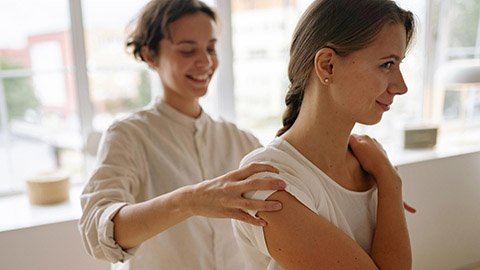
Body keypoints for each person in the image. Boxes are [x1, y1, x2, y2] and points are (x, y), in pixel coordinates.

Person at [78, 0, 286, 269]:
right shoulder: (128, 136)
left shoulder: (240, 140)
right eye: (188, 50)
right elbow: (97, 231)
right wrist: (189, 202)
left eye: (211, 48)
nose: (205, 61)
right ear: (151, 56)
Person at [233, 0, 415, 269]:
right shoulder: (266, 181)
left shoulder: (373, 164)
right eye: (387, 64)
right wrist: (390, 182)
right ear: (327, 65)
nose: (401, 86)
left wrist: (388, 178)